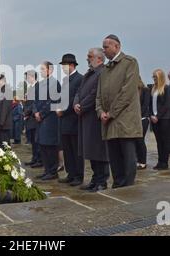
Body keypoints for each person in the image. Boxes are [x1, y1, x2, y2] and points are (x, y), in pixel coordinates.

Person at [96, 35, 142, 188]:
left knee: (127, 156)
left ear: (117, 46)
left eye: (106, 46)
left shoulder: (130, 63)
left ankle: (127, 187)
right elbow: (99, 95)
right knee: (114, 157)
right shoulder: (104, 70)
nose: (104, 49)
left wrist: (111, 113)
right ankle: (117, 185)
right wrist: (100, 112)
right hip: (108, 120)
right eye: (103, 47)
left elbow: (127, 92)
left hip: (124, 120)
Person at [75, 48, 109, 192]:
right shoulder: (88, 74)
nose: (87, 59)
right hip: (85, 117)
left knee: (99, 151)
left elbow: (95, 93)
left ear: (99, 59)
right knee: (91, 151)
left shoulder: (102, 73)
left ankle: (102, 181)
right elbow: (79, 92)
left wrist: (82, 106)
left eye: (90, 56)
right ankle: (95, 179)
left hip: (95, 118)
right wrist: (75, 103)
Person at [57, 54, 84, 187]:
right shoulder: (65, 80)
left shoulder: (79, 79)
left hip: (73, 120)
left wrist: (63, 110)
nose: (63, 68)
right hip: (64, 121)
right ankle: (70, 174)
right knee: (67, 150)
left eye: (64, 66)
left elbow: (75, 99)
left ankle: (78, 176)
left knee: (76, 150)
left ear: (72, 65)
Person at [34, 61, 61, 181]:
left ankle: (53, 171)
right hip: (39, 118)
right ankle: (46, 169)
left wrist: (41, 114)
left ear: (50, 70)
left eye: (43, 69)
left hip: (50, 119)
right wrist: (35, 112)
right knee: (42, 145)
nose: (41, 72)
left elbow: (53, 101)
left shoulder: (55, 83)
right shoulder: (39, 84)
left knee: (50, 145)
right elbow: (34, 100)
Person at [150, 69, 170, 170]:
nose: (154, 79)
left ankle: (165, 162)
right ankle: (160, 161)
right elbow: (150, 104)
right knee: (159, 141)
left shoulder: (167, 88)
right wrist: (151, 115)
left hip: (164, 118)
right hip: (154, 118)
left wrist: (158, 116)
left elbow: (167, 104)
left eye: (155, 77)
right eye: (153, 77)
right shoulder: (153, 89)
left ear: (160, 77)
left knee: (165, 141)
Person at [24, 70, 42, 168]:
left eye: (27, 77)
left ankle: (39, 159)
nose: (26, 79)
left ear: (32, 77)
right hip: (29, 117)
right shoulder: (30, 88)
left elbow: (34, 103)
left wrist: (27, 113)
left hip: (34, 117)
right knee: (32, 140)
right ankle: (34, 158)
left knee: (36, 140)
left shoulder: (37, 87)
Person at [135, 78, 151, 170]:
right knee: (136, 140)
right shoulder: (133, 90)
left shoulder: (145, 90)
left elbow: (145, 105)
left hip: (143, 118)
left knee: (140, 140)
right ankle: (138, 159)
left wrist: (138, 114)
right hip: (134, 119)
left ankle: (143, 161)